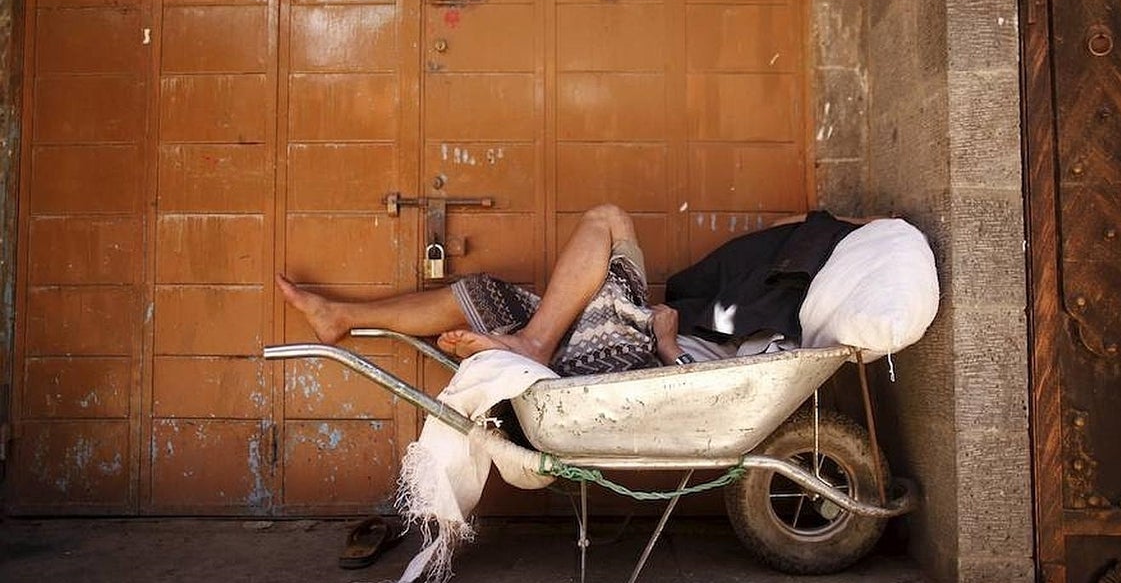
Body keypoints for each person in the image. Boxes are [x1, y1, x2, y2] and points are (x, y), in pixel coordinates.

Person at [276, 204, 863, 377]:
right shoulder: (784, 269)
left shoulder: (788, 309)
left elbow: (698, 374)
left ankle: (533, 342)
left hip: (624, 347)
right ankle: (340, 316)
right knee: (479, 292)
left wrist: (663, 339)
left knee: (607, 218)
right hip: (605, 332)